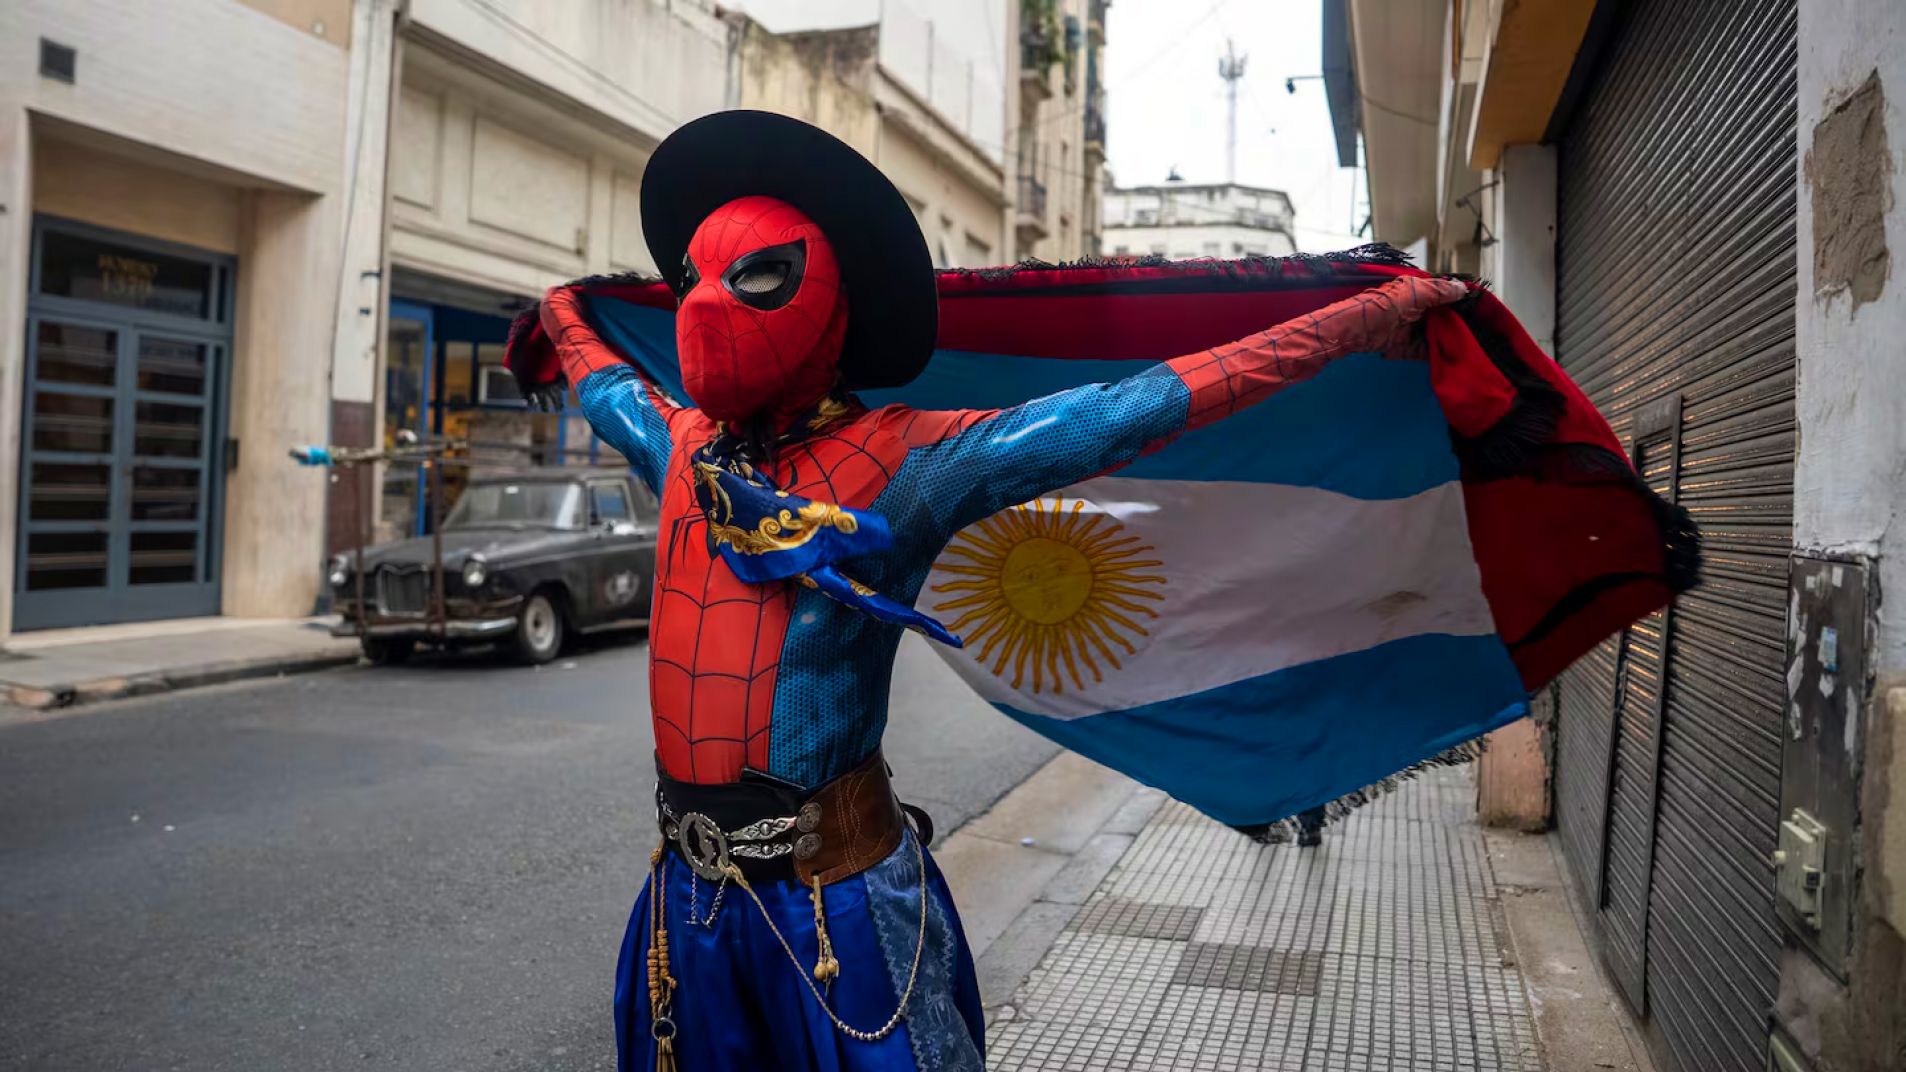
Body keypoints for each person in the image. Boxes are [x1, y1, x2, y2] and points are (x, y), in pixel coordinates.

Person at [506, 110, 1469, 1072]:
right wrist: (558, 312)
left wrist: (1361, 320)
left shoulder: (904, 461)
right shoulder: (682, 451)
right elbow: (598, 375)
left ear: (829, 304)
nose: (707, 306)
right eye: (690, 281)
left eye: (755, 277)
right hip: (687, 898)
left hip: (833, 899)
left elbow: (1123, 412)